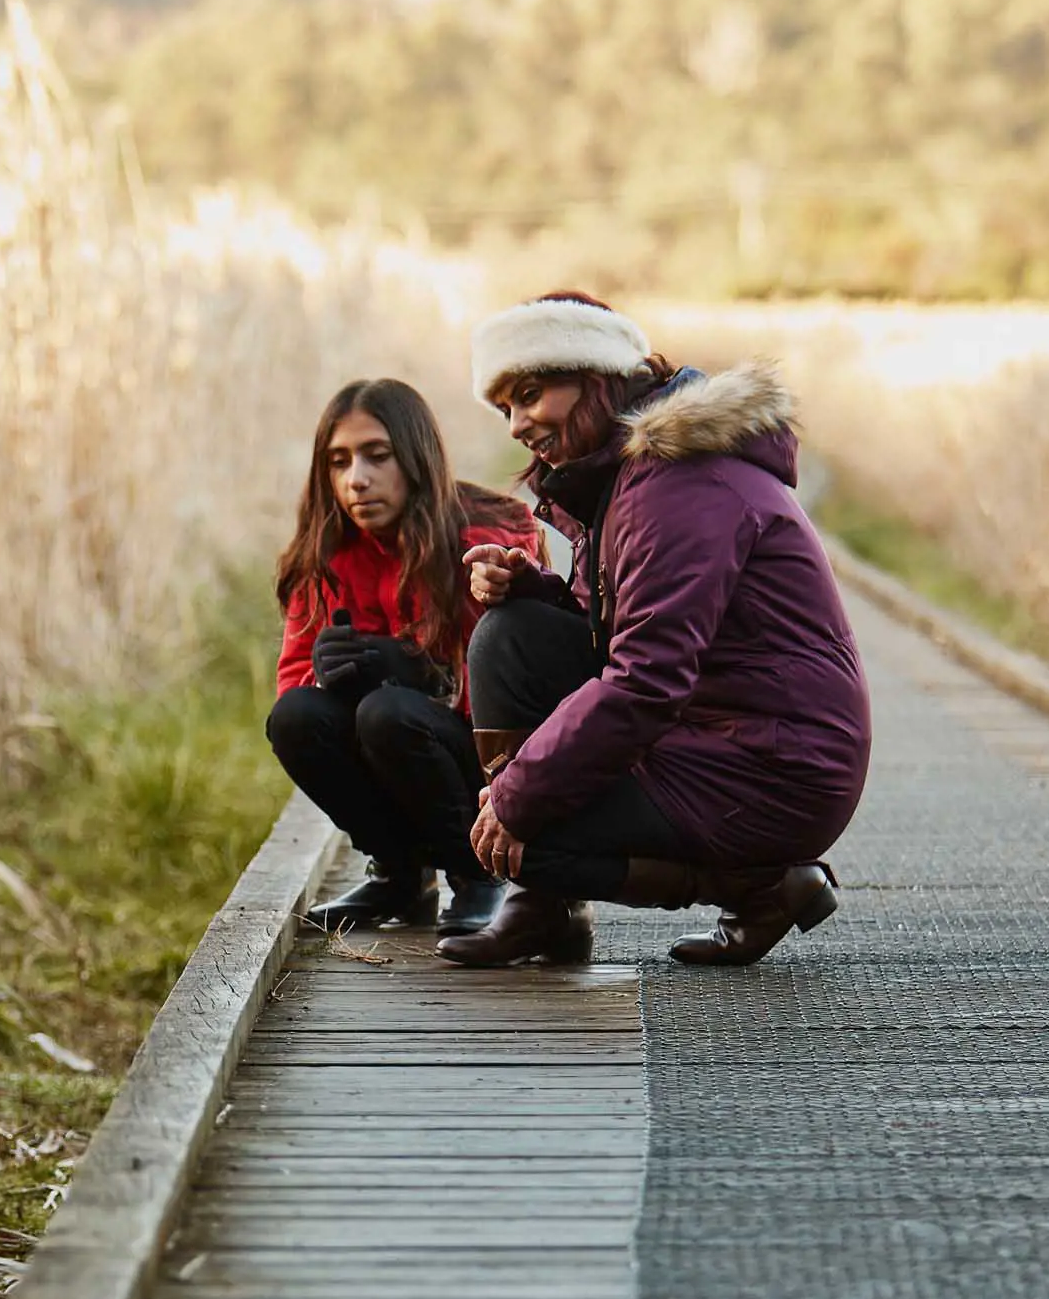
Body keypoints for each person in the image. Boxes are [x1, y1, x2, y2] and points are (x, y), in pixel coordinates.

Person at [434, 293, 871, 969]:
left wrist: (516, 799)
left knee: (529, 834)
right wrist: (533, 589)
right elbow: (615, 630)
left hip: (774, 770)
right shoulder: (626, 480)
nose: (519, 423)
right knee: (512, 633)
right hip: (712, 736)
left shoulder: (679, 486)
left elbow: (644, 680)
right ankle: (541, 906)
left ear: (596, 374)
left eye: (530, 393)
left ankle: (763, 888)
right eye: (504, 409)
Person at [265, 379, 543, 937]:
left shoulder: (486, 539)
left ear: (415, 458)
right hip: (400, 743)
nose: (356, 479)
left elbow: (517, 705)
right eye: (338, 462)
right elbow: (292, 683)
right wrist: (326, 675)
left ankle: (478, 876)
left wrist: (424, 671)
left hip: (492, 770)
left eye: (376, 455)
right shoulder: (325, 552)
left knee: (388, 714)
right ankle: (399, 877)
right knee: (296, 718)